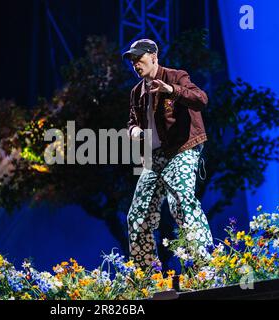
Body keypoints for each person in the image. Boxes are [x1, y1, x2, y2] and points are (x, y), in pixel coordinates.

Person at [122, 39, 214, 269]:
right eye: (132, 61)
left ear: (154, 56)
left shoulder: (175, 76)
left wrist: (171, 90)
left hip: (182, 148)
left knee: (181, 200)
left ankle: (205, 265)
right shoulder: (136, 92)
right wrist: (133, 130)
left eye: (139, 58)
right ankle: (146, 274)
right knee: (137, 215)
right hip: (155, 157)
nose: (135, 64)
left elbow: (201, 100)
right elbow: (132, 121)